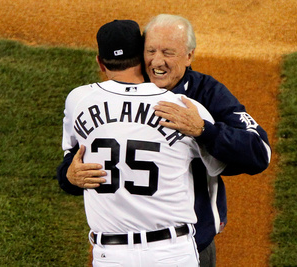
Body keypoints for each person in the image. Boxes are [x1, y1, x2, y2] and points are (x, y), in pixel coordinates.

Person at [57, 14, 271, 267]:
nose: (157, 61)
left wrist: (205, 131)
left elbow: (258, 154)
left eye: (168, 52)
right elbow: (75, 164)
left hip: (188, 244)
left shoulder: (206, 94)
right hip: (116, 247)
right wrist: (69, 177)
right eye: (150, 51)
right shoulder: (114, 101)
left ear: (189, 56)